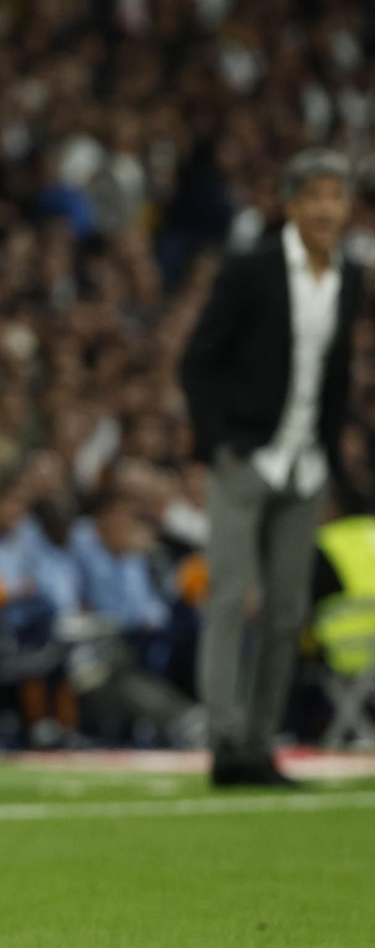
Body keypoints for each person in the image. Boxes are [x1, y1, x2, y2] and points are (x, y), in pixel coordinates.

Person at [179, 148, 365, 787]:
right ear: (290, 204)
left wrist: (335, 458)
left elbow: (335, 378)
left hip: (306, 464)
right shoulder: (251, 271)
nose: (324, 209)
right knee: (230, 597)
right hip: (247, 457)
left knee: (288, 612)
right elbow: (197, 359)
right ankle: (225, 740)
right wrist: (219, 442)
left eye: (335, 197)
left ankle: (259, 745)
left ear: (347, 209)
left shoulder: (351, 277)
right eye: (313, 195)